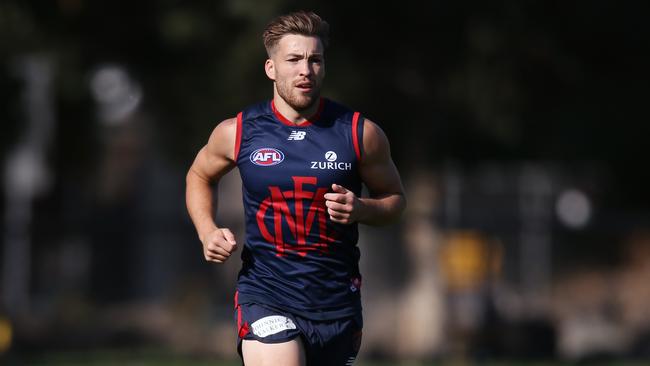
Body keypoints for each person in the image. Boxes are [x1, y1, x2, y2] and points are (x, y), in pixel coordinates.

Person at [186, 10, 406, 366]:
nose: (305, 69)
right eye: (293, 59)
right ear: (271, 68)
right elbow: (199, 176)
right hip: (266, 292)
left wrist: (362, 209)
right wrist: (206, 229)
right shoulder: (238, 131)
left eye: (314, 59)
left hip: (336, 301)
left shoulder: (359, 133)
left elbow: (396, 201)